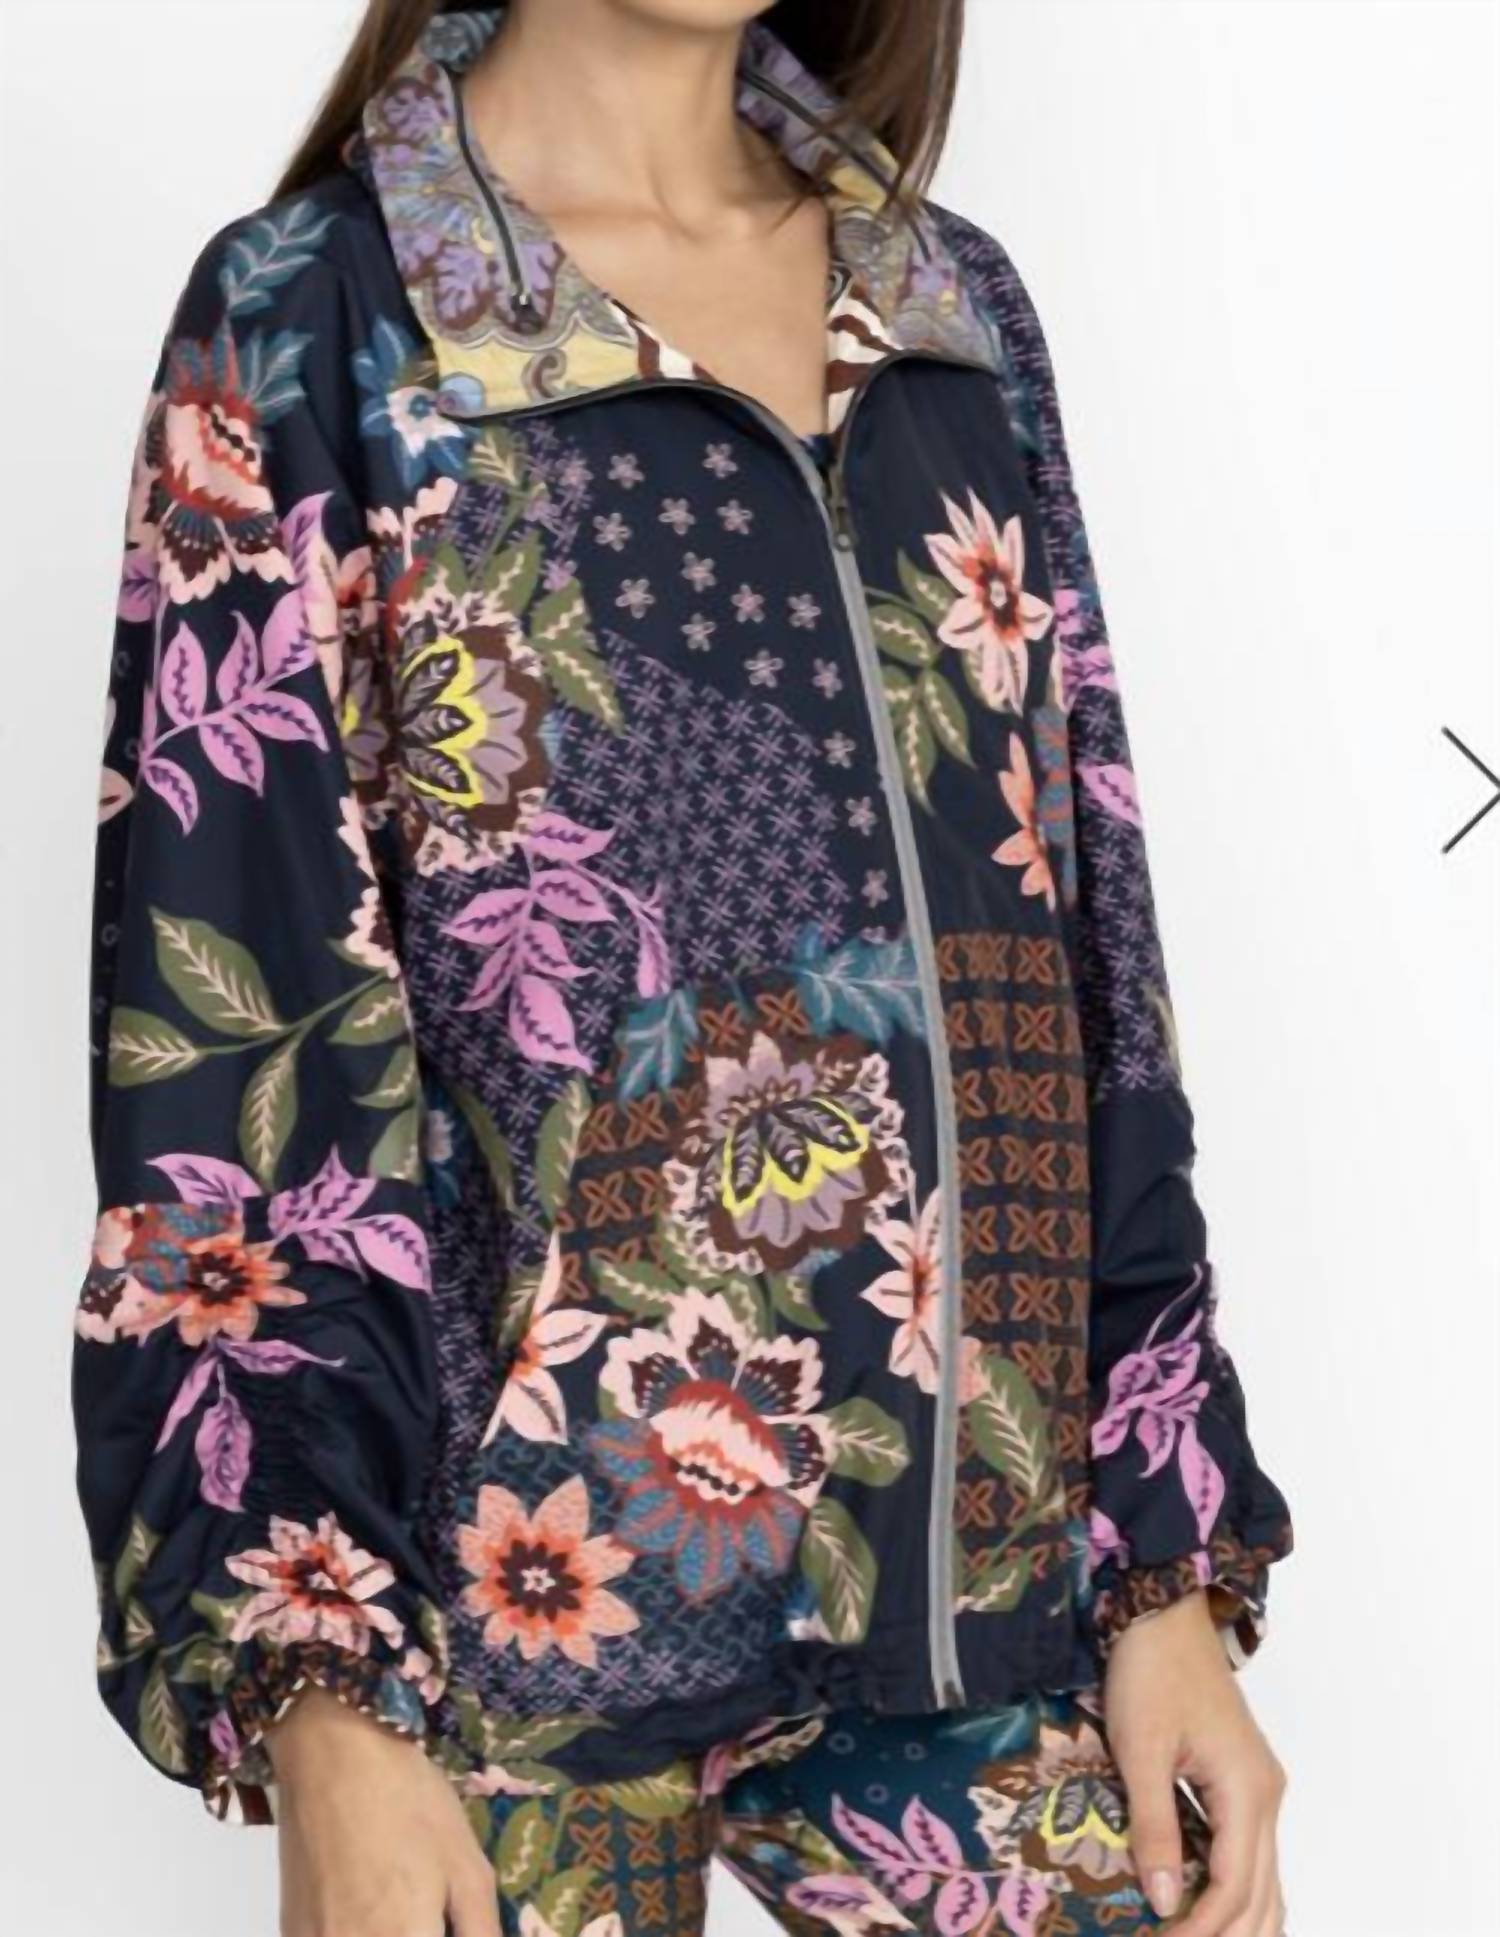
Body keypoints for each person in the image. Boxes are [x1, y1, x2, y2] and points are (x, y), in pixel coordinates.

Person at [72, 3, 1294, 1933]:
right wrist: (320, 1694)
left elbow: (1094, 970)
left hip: (976, 1599)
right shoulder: (323, 315)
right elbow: (232, 1051)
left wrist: (1166, 1567)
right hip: (502, 1654)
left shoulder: (946, 308)